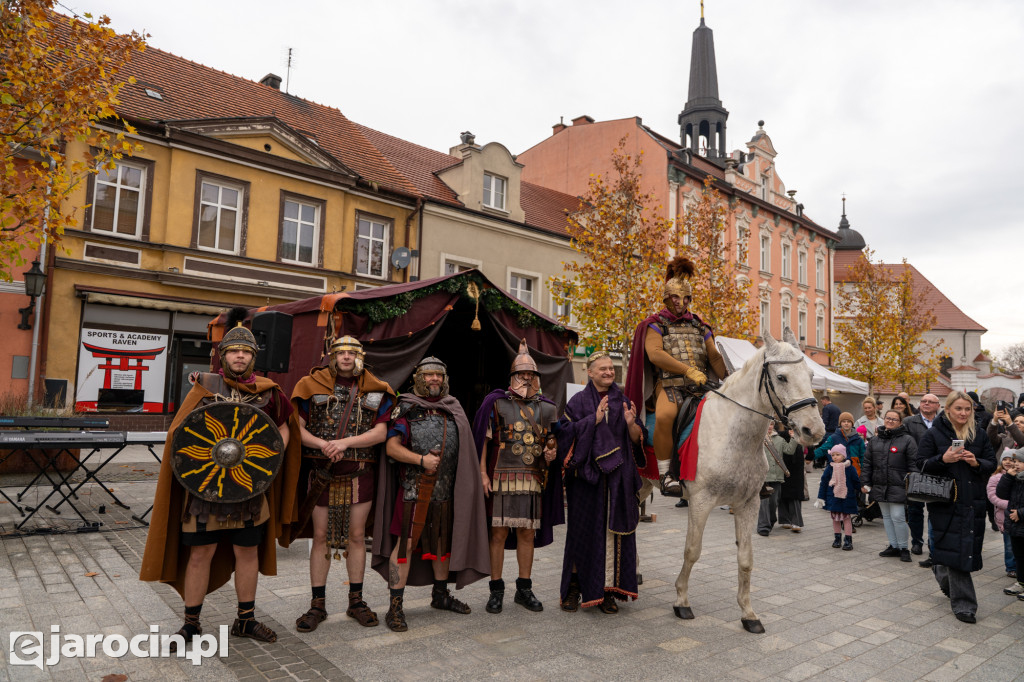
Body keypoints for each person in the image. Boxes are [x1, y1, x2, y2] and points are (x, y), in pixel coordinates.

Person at [140, 307, 300, 646]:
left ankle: (245, 620)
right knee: (201, 553)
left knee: (247, 553)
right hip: (206, 489)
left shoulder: (270, 392)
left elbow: (285, 427)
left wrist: (272, 457)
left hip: (249, 488)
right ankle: (191, 624)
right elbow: (180, 435)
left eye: (245, 351)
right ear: (223, 355)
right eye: (233, 351)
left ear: (253, 357)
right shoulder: (204, 387)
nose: (239, 356)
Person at [370, 357, 488, 631]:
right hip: (414, 491)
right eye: (428, 375)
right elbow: (392, 448)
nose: (434, 379)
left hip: (446, 492)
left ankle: (440, 595)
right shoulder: (406, 408)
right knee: (406, 547)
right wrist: (421, 461)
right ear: (418, 379)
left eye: (438, 375)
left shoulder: (453, 408)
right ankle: (395, 607)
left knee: (442, 547)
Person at [290, 336, 395, 632]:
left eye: (351, 352)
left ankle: (356, 601)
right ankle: (317, 604)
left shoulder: (376, 388)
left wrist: (344, 442)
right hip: (322, 473)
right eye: (341, 352)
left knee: (357, 536)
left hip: (360, 472)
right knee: (321, 536)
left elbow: (379, 433)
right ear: (331, 356)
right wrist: (324, 445)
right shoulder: (310, 385)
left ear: (359, 357)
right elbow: (297, 429)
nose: (346, 357)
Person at [472, 340, 562, 614]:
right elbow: (484, 441)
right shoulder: (496, 402)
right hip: (500, 475)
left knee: (526, 533)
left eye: (531, 374)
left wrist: (551, 454)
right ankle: (496, 590)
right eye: (521, 374)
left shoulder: (548, 408)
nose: (526, 378)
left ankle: (524, 589)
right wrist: (482, 474)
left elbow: (553, 442)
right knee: (497, 534)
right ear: (512, 376)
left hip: (532, 477)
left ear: (537, 377)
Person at [625, 256, 727, 496]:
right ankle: (665, 473)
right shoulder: (656, 324)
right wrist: (686, 369)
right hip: (669, 385)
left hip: (702, 386)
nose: (681, 302)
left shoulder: (700, 325)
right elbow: (655, 353)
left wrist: (729, 376)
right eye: (675, 297)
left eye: (685, 298)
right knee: (665, 415)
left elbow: (712, 356)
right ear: (666, 298)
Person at [558, 351, 646, 613]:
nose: (609, 372)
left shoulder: (623, 401)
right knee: (581, 534)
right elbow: (564, 434)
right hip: (587, 482)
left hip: (619, 479)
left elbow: (636, 438)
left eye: (611, 368)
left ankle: (608, 590)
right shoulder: (577, 401)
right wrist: (592, 421)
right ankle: (575, 588)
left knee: (612, 535)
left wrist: (631, 424)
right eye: (603, 369)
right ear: (590, 372)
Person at [914, 390, 996, 624]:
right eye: (958, 408)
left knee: (959, 548)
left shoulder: (979, 434)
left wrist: (975, 462)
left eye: (967, 409)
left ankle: (942, 572)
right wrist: (943, 459)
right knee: (956, 549)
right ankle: (965, 606)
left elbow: (992, 464)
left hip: (973, 501)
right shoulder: (934, 435)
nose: (963, 413)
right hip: (945, 501)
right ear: (948, 409)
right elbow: (920, 464)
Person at [860, 410, 917, 562]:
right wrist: (865, 482)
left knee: (898, 516)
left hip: (899, 484)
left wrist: (911, 483)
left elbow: (913, 465)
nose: (890, 421)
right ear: (884, 419)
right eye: (888, 418)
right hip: (879, 484)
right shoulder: (875, 440)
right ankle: (894, 546)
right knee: (886, 516)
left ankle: (904, 548)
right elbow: (867, 464)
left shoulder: (907, 440)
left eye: (894, 419)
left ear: (900, 422)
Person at [904, 393, 940, 558]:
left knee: (936, 510)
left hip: (937, 471)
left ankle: (934, 544)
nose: (926, 404)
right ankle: (917, 542)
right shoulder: (909, 422)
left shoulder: (943, 423)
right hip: (915, 471)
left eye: (930, 402)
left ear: (937, 405)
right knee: (915, 510)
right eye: (923, 401)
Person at [814, 444, 860, 550]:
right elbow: (824, 483)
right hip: (833, 497)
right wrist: (820, 497)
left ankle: (848, 540)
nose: (835, 457)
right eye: (833, 455)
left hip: (846, 497)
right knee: (835, 518)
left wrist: (862, 489)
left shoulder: (850, 468)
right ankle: (837, 538)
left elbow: (856, 481)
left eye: (838, 455)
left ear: (844, 455)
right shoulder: (829, 468)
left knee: (847, 518)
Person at [996, 449, 1024, 599]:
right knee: (1019, 555)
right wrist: (1008, 477)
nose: (1016, 465)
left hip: (1020, 520)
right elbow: (1001, 494)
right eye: (1015, 462)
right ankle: (1021, 582)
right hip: (1015, 526)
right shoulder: (1014, 478)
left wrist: (1020, 513)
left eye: (1020, 462)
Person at [988, 451, 1018, 580]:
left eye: (1011, 459)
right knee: (1009, 544)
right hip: (1004, 516)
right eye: (1004, 459)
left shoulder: (1019, 476)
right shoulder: (996, 477)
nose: (1008, 462)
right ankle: (1011, 567)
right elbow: (993, 496)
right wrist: (1011, 505)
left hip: (1019, 515)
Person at [757, 423, 786, 536]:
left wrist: (794, 438)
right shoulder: (758, 437)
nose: (769, 426)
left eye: (771, 424)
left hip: (776, 475)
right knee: (764, 502)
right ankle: (763, 526)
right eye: (767, 424)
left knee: (774, 502)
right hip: (763, 475)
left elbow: (789, 451)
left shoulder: (779, 439)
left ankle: (771, 520)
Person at [775, 423, 805, 532]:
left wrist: (811, 454)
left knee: (795, 493)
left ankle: (796, 521)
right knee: (782, 491)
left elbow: (808, 438)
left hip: (796, 462)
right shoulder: (780, 424)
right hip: (782, 461)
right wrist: (787, 432)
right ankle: (784, 520)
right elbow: (775, 434)